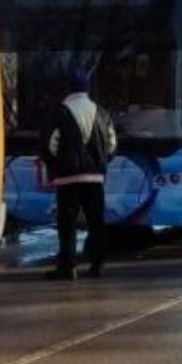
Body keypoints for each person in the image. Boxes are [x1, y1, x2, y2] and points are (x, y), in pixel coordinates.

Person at [40, 68, 117, 280]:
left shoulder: (60, 112)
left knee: (68, 224)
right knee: (96, 221)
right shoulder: (102, 113)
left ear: (69, 88)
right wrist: (100, 163)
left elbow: (49, 145)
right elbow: (112, 144)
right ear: (87, 88)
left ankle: (68, 267)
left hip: (67, 179)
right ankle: (97, 264)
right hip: (95, 178)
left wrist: (56, 165)